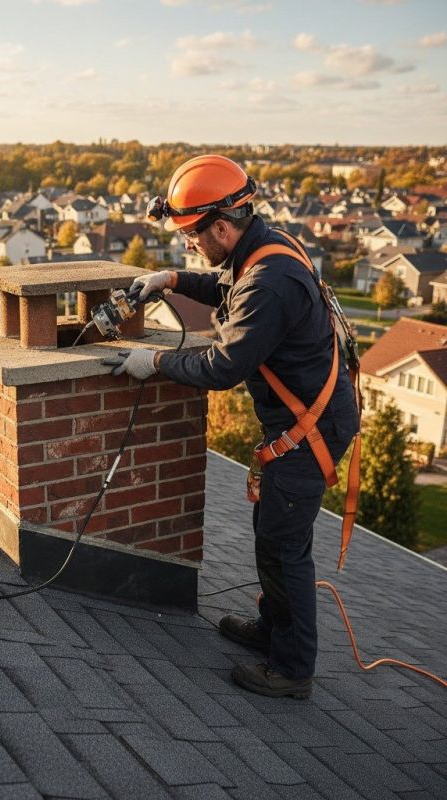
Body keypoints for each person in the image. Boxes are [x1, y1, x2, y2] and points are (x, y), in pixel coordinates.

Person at [108, 154, 359, 700]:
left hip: (309, 428)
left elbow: (222, 367)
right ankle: (272, 630)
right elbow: (226, 288)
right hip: (303, 419)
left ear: (222, 225)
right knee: (271, 536)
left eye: (193, 237)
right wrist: (173, 280)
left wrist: (151, 363)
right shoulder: (262, 248)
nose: (190, 245)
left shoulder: (268, 282)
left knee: (284, 546)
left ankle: (292, 669)